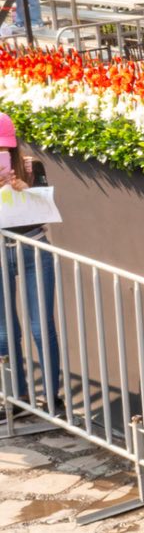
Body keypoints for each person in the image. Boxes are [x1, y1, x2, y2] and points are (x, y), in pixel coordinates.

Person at [0, 114, 59, 408]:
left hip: (34, 246)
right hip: (1, 250)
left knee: (41, 327)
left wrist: (25, 190)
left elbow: (48, 211)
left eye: (5, 147)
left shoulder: (31, 166)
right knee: (4, 331)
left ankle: (51, 398)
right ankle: (16, 397)